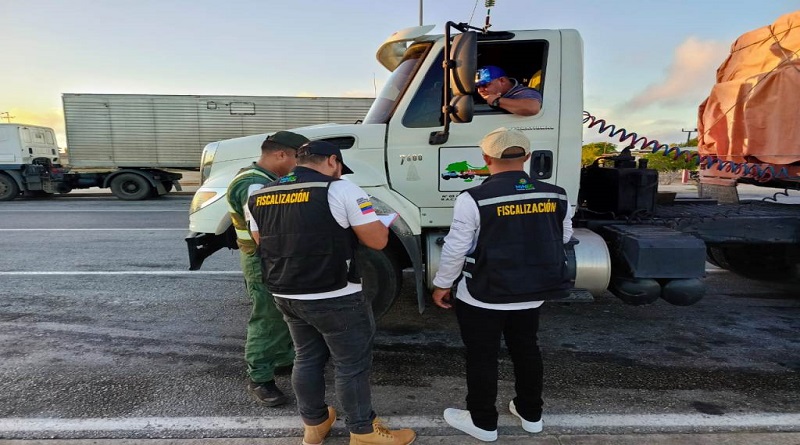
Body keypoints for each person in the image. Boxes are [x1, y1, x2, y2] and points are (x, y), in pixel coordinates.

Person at [246, 140, 416, 445]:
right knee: (351, 365)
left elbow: (261, 241)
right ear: (332, 161)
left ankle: (315, 424)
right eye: (339, 168)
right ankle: (363, 432)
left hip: (286, 293)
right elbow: (377, 241)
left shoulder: (259, 193)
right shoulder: (341, 189)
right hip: (335, 294)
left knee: (306, 357)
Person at [431, 127, 573, 442]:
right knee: (526, 349)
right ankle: (531, 414)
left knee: (482, 355)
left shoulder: (473, 197)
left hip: (484, 293)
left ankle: (483, 422)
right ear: (527, 156)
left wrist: (442, 284)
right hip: (533, 292)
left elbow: (456, 248)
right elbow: (562, 236)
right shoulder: (556, 193)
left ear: (486, 158)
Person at [226, 130, 309, 406]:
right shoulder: (254, 184)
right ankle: (260, 377)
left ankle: (282, 359)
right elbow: (263, 231)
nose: (301, 166)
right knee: (267, 318)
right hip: (264, 259)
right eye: (299, 159)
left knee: (282, 313)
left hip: (271, 257)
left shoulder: (264, 178)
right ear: (281, 155)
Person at [475, 65, 542, 116]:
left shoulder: (523, 92)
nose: (480, 90)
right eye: (477, 87)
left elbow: (533, 107)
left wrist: (497, 101)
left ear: (502, 81)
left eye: (485, 85)